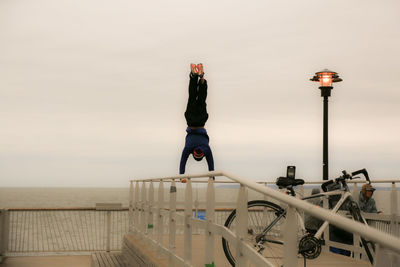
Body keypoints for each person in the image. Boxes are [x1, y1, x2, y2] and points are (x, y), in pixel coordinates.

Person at [179, 64, 214, 178]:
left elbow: (211, 164)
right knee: (192, 97)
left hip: (201, 121)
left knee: (202, 99)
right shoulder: (189, 148)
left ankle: (201, 78)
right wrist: (182, 175)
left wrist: (212, 176)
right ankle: (194, 76)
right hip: (190, 120)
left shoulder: (206, 149)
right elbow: (182, 162)